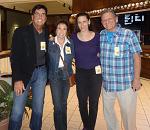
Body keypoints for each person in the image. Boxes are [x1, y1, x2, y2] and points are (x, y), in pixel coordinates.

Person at [100, 9, 142, 130]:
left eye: (109, 19)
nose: (107, 22)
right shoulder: (101, 35)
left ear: (116, 19)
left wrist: (137, 79)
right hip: (107, 84)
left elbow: (137, 58)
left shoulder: (128, 34)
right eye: (104, 20)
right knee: (109, 113)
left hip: (125, 84)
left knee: (128, 115)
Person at [8, 4, 48, 130]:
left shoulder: (46, 34)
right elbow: (15, 57)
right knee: (18, 109)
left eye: (43, 14)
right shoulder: (21, 32)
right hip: (24, 75)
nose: (40, 16)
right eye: (37, 13)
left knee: (38, 107)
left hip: (41, 73)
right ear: (32, 16)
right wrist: (17, 79)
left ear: (46, 18)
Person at [71, 12, 102, 130]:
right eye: (79, 22)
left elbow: (105, 51)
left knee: (93, 104)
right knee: (82, 103)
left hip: (95, 73)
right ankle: (87, 125)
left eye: (84, 21)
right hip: (81, 73)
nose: (82, 24)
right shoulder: (73, 37)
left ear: (89, 22)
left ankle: (90, 127)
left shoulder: (98, 36)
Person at [47, 20, 74, 130]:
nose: (61, 31)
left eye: (64, 28)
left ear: (67, 31)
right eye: (59, 28)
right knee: (57, 106)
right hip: (54, 76)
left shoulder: (71, 43)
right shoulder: (50, 43)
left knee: (63, 104)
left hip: (66, 75)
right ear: (56, 30)